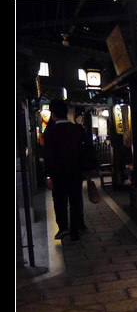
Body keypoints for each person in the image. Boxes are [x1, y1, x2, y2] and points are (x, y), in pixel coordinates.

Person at [43, 99, 93, 241]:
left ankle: (63, 227)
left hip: (57, 173)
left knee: (59, 200)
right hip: (75, 171)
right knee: (75, 200)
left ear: (53, 114)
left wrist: (48, 176)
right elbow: (88, 149)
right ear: (66, 113)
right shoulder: (77, 129)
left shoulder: (50, 132)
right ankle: (75, 230)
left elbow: (48, 155)